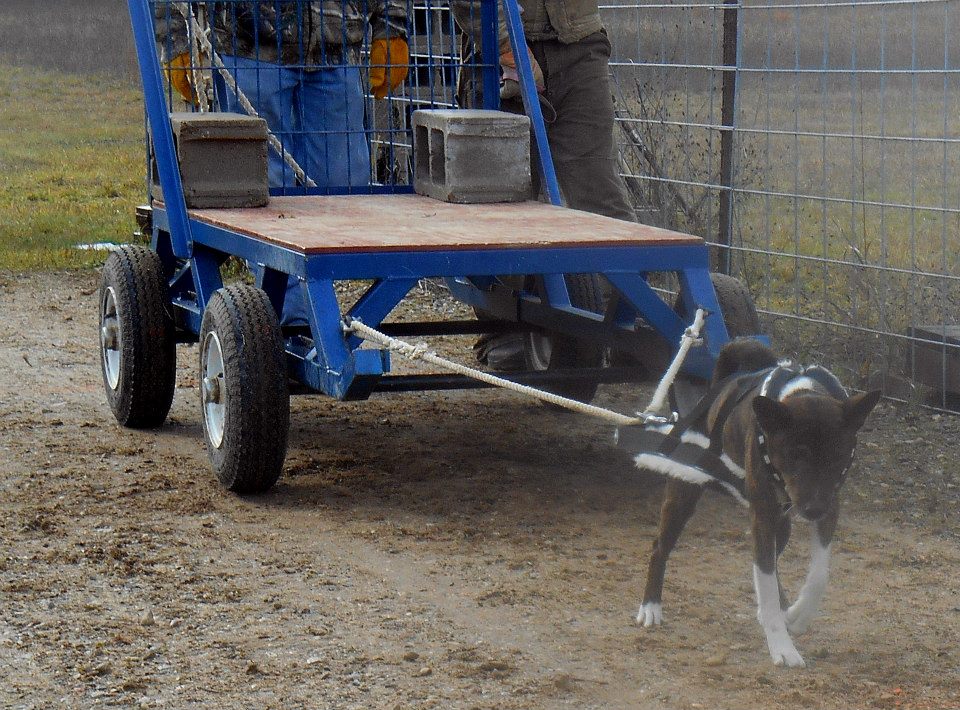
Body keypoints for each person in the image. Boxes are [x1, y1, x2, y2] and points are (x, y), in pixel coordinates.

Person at [452, 0, 635, 370]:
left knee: (600, 195)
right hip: (498, 55)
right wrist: (506, 48)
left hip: (579, 45)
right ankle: (503, 330)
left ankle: (617, 324)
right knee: (498, 202)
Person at [154, 1, 409, 188]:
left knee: (343, 183)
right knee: (260, 181)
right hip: (249, 48)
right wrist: (175, 33)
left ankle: (334, 256)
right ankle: (264, 261)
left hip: (336, 48)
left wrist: (392, 24)